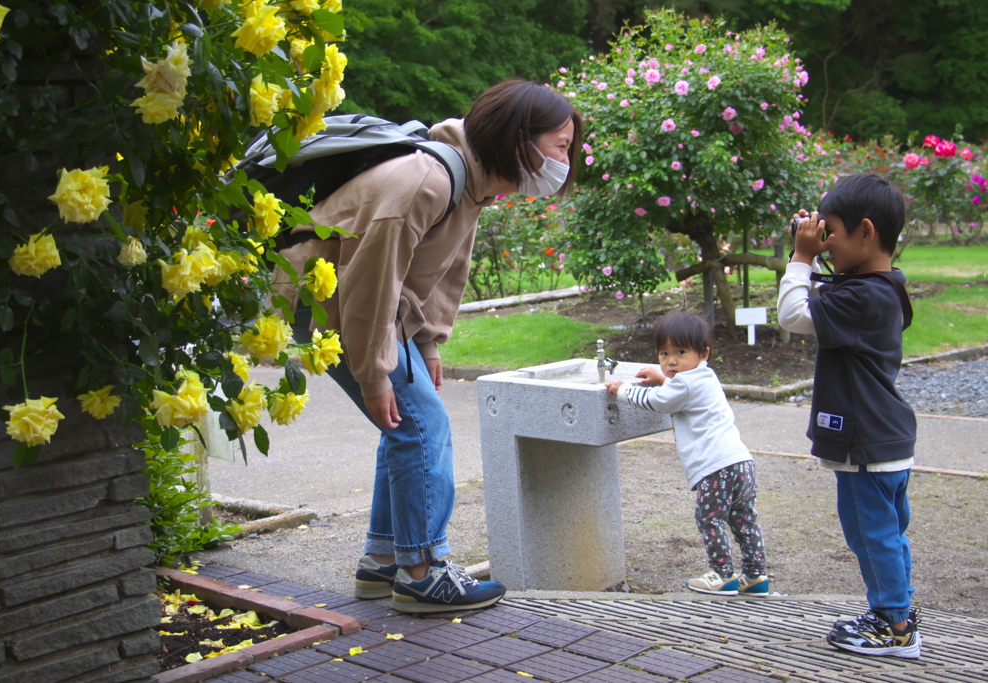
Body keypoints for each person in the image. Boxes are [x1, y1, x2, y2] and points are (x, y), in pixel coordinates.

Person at [274, 79, 583, 613]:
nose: (566, 158)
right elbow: (371, 278)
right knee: (423, 426)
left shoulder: (472, 181)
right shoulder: (427, 180)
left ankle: (385, 561)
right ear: (518, 141)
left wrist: (430, 343)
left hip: (362, 301)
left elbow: (444, 269)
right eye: (559, 145)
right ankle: (422, 572)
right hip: (324, 294)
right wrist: (373, 374)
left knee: (405, 426)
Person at [777, 172, 921, 658]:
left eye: (830, 230)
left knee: (870, 535)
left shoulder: (862, 296)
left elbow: (795, 314)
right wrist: (810, 254)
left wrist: (801, 258)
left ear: (866, 231)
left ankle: (894, 625)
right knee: (888, 533)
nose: (824, 240)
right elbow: (825, 291)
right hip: (886, 439)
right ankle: (898, 610)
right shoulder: (880, 285)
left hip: (864, 443)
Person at [604, 311, 769, 597]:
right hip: (741, 463)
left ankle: (722, 575)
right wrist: (662, 377)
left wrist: (622, 391)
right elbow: (681, 392)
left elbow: (658, 401)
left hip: (716, 468)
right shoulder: (705, 377)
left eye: (680, 352)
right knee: (743, 519)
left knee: (710, 519)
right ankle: (755, 575)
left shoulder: (683, 384)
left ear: (703, 353)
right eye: (664, 353)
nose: (671, 360)